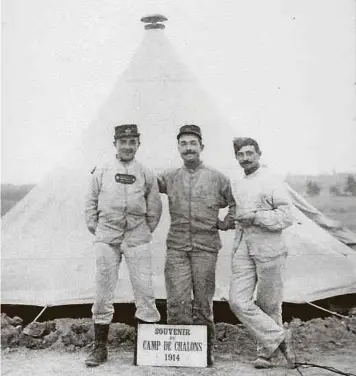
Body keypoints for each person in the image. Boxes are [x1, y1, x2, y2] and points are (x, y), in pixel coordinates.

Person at [84, 124, 162, 367]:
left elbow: (155, 206)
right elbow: (90, 202)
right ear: (115, 143)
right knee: (103, 290)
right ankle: (100, 348)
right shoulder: (102, 170)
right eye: (122, 142)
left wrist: (144, 230)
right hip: (108, 236)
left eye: (132, 142)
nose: (127, 146)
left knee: (145, 290)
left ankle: (146, 349)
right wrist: (98, 229)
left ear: (138, 143)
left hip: (137, 236)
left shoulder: (146, 172)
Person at [157, 124, 236, 366]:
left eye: (193, 143)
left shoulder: (217, 178)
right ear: (178, 148)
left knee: (203, 301)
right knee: (177, 299)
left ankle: (204, 352)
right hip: (177, 247)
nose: (188, 148)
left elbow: (236, 202)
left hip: (206, 247)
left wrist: (225, 223)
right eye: (183, 143)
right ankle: (180, 353)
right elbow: (143, 183)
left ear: (201, 146)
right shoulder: (169, 177)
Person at [228, 137, 296, 369]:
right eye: (241, 155)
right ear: (236, 157)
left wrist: (257, 217)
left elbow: (287, 217)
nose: (245, 158)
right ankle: (280, 337)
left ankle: (266, 354)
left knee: (269, 304)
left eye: (249, 153)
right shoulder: (236, 182)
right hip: (243, 246)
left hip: (270, 248)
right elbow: (234, 211)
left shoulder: (272, 181)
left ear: (259, 154)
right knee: (238, 301)